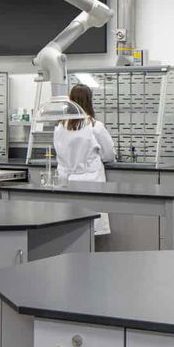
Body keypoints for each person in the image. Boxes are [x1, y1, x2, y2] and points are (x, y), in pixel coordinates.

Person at [52, 83, 116, 235]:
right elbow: (109, 155)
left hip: (66, 181)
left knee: (70, 228)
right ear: (89, 100)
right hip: (90, 183)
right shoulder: (94, 126)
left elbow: (59, 153)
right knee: (89, 227)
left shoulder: (60, 126)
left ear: (70, 100)